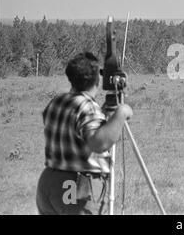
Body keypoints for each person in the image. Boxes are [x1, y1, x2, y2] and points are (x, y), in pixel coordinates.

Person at [36, 52, 133, 215]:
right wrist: (121, 113)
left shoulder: (58, 102)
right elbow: (99, 144)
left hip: (48, 182)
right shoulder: (87, 106)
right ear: (97, 79)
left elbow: (73, 126)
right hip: (72, 185)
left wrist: (101, 115)